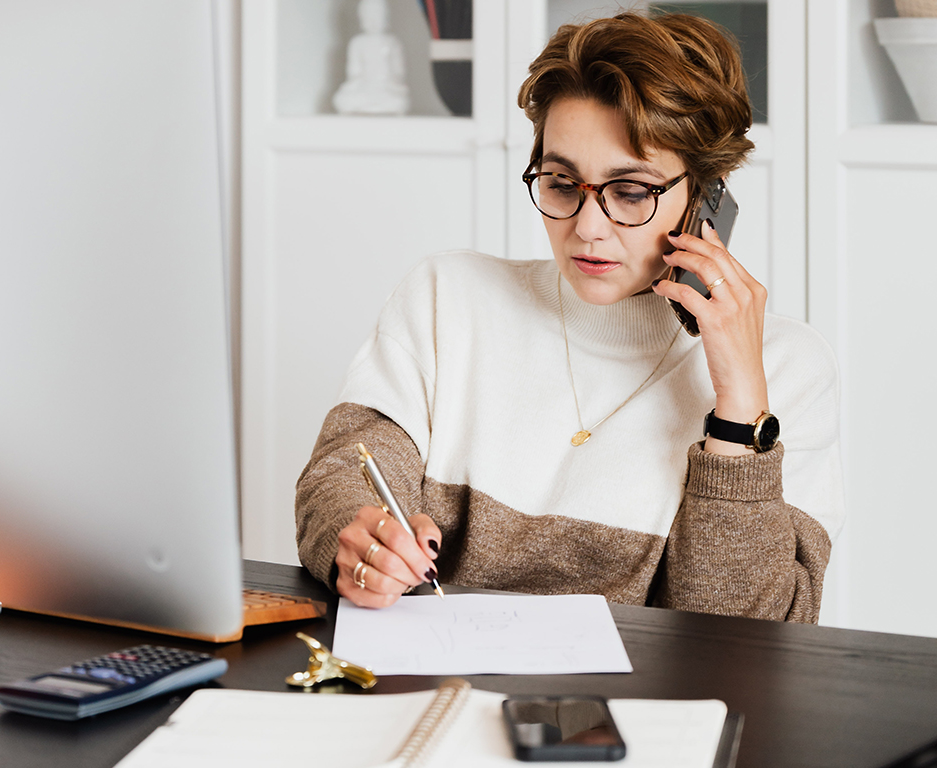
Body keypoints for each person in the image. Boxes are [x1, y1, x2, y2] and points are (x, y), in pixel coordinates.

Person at [296, 12, 843, 623]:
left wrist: (740, 411)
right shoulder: (447, 298)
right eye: (561, 183)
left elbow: (743, 637)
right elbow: (342, 479)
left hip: (638, 715)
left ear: (709, 196)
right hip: (431, 691)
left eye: (631, 192)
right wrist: (361, 537)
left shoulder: (789, 369)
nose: (587, 228)